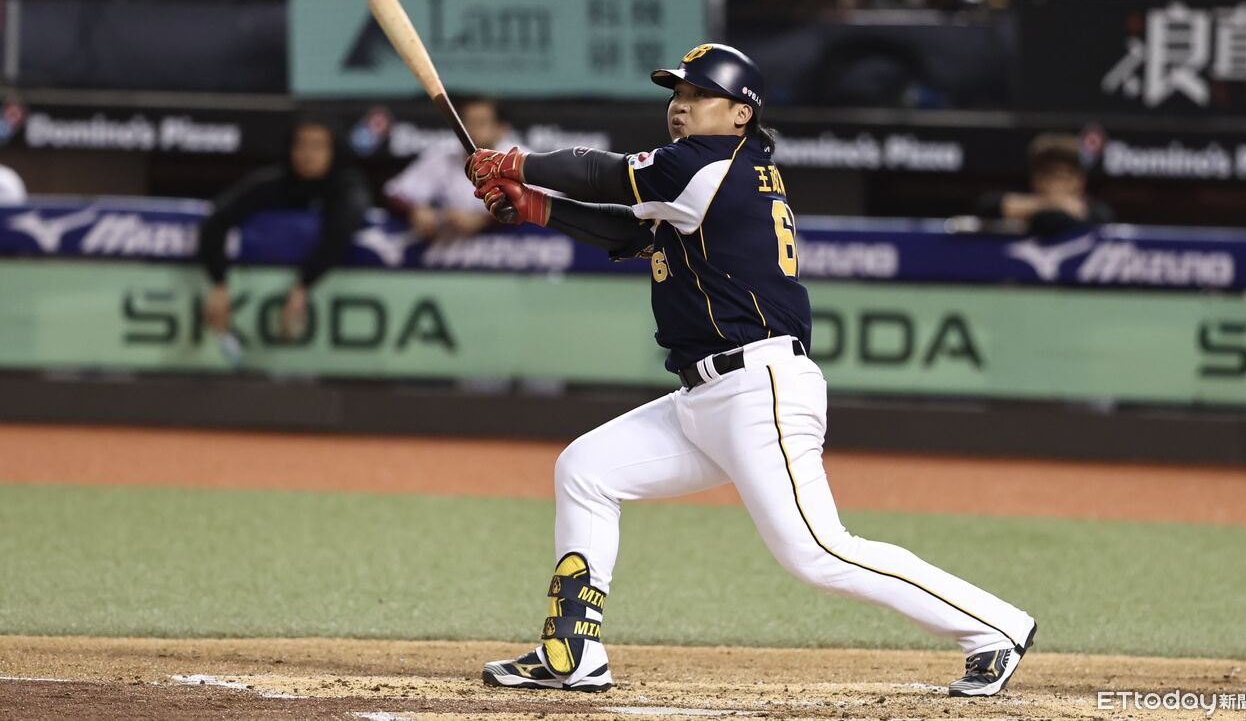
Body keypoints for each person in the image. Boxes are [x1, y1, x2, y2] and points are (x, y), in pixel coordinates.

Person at [464, 44, 1037, 697]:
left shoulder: (708, 163)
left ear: (741, 113)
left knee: (818, 551)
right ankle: (573, 649)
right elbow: (631, 234)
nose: (680, 106)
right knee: (586, 469)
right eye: (676, 94)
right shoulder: (711, 174)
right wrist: (535, 206)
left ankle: (994, 626)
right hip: (706, 397)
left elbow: (604, 173)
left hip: (758, 387)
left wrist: (515, 162)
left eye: (698, 95)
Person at [197, 118, 369, 341]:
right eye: (301, 145)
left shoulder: (348, 188)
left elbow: (340, 232)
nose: (308, 154)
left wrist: (303, 287)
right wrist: (218, 283)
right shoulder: (271, 184)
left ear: (333, 151)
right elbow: (215, 221)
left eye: (317, 146)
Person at [383, 98, 507, 243]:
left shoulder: (519, 159)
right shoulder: (443, 157)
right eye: (465, 123)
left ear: (500, 129)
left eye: (480, 123)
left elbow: (529, 204)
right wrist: (415, 211)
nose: (470, 130)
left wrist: (484, 220)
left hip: (511, 244)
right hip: (453, 246)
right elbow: (395, 192)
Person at [976, 132, 1112, 237]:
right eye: (1049, 175)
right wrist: (1052, 203)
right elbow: (988, 205)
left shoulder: (1094, 211)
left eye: (1064, 177)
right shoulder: (1023, 205)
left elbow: (1101, 216)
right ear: (1035, 179)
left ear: (1080, 181)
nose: (1056, 184)